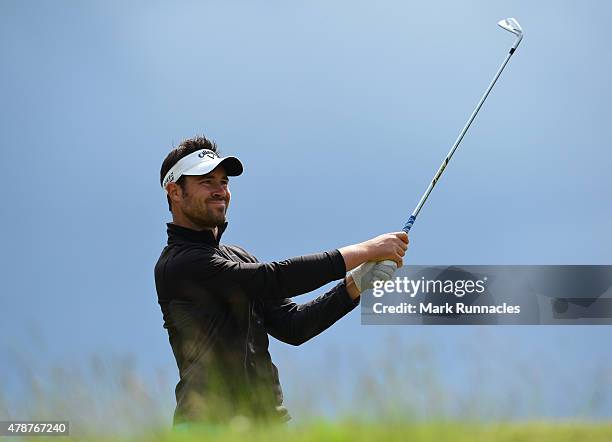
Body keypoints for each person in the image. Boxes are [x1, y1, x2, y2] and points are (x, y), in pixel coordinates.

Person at [154, 135, 408, 426]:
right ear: (175, 192)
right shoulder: (179, 264)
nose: (219, 190)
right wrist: (366, 250)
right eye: (206, 182)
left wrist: (353, 285)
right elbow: (274, 279)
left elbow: (293, 326)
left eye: (223, 182)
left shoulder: (237, 256)